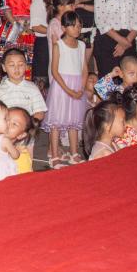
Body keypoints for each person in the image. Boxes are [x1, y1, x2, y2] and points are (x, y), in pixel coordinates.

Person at [43, 11, 92, 167]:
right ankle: (54, 155)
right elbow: (54, 71)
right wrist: (68, 90)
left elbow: (84, 69)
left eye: (79, 26)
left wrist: (81, 88)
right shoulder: (59, 45)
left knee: (74, 121)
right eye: (73, 26)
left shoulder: (82, 45)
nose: (77, 29)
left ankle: (74, 152)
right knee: (56, 122)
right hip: (61, 87)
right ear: (64, 28)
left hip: (77, 86)